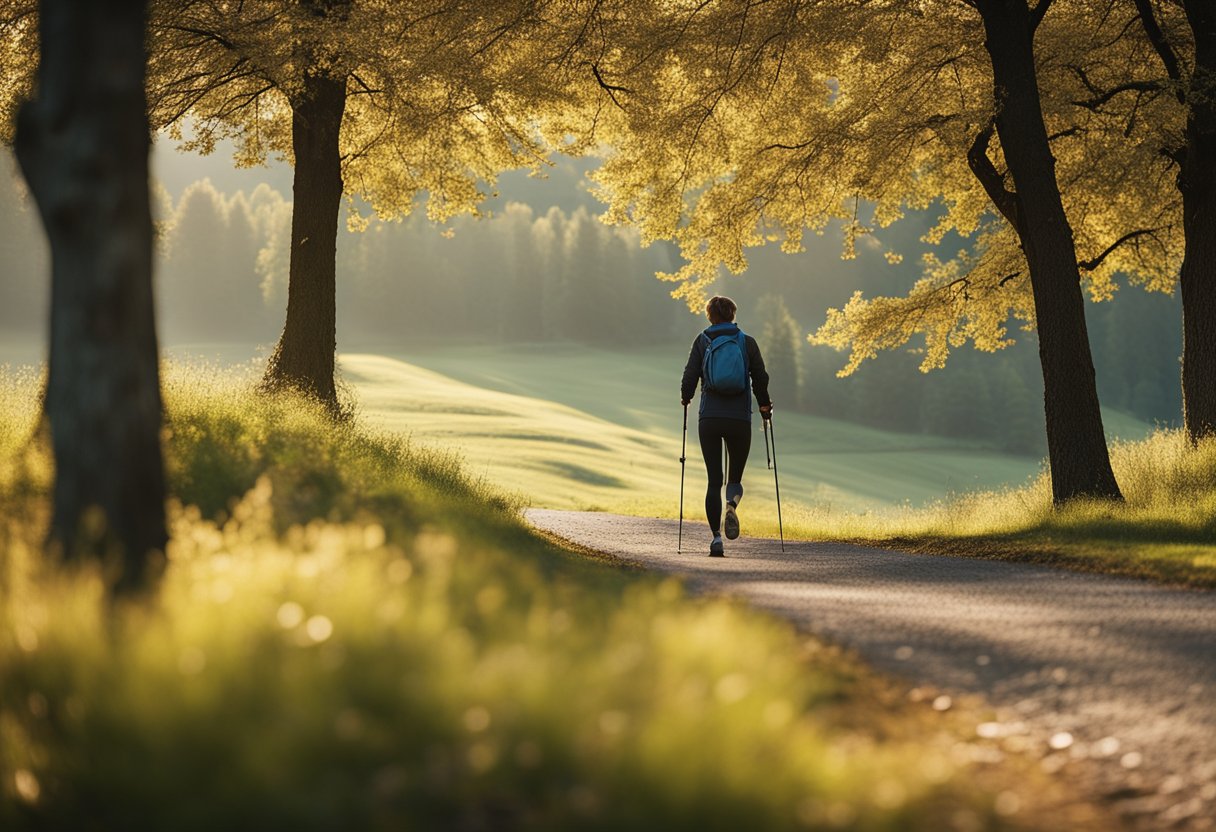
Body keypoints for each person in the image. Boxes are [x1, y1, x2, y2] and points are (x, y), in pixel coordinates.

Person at [680, 295, 771, 557]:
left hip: (710, 417)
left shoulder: (702, 340)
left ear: (710, 315)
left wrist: (686, 396)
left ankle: (716, 539)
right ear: (732, 314)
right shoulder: (746, 342)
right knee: (734, 478)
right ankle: (731, 505)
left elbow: (690, 375)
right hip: (739, 418)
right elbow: (760, 379)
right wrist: (764, 406)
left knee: (713, 480)